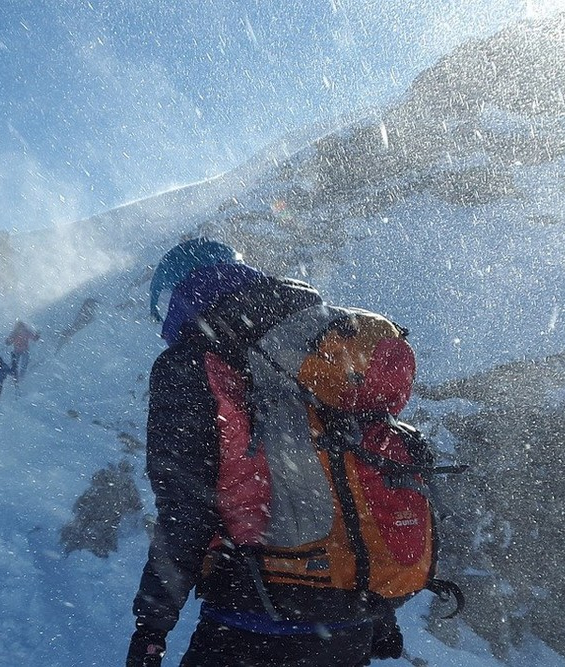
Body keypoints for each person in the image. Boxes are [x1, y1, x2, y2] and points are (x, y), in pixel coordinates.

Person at [126, 242, 402, 667]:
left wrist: (150, 627)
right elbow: (358, 477)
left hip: (254, 616)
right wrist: (380, 614)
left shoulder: (191, 363)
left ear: (179, 294)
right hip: (349, 622)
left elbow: (186, 510)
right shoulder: (315, 341)